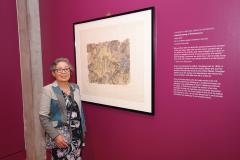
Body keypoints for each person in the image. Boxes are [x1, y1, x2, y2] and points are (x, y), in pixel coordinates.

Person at [39, 58, 86, 160]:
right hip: (60, 137)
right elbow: (43, 116)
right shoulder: (48, 90)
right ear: (53, 73)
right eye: (59, 69)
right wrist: (55, 136)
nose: (63, 72)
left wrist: (83, 130)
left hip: (76, 134)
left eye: (66, 69)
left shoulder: (75, 88)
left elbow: (79, 111)